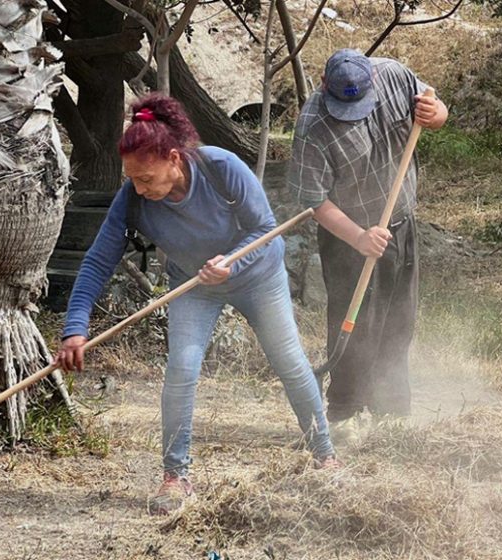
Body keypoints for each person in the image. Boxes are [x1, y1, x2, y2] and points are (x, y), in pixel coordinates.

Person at [56, 93, 339, 516]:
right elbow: (98, 260)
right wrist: (75, 327)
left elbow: (265, 230)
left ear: (174, 158)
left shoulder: (221, 168)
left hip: (258, 277)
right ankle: (175, 477)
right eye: (133, 179)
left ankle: (325, 456)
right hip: (194, 285)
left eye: (147, 178)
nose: (140, 188)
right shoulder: (133, 200)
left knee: (290, 361)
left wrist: (232, 260)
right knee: (182, 368)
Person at [287, 49, 448, 424]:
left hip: (401, 223)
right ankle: (345, 410)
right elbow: (314, 200)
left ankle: (390, 409)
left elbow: (436, 107)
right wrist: (359, 237)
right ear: (324, 85)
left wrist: (434, 114)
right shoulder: (313, 127)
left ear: (372, 82)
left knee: (399, 319)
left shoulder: (394, 75)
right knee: (354, 323)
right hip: (349, 237)